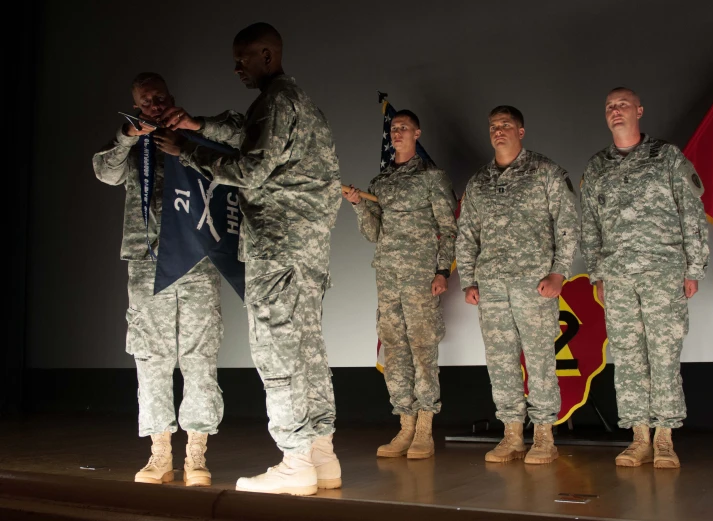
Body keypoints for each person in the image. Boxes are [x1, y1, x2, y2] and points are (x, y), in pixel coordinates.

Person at [158, 22, 342, 495]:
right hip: (306, 249)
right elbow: (246, 132)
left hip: (278, 246)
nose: (237, 67)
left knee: (277, 349)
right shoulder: (294, 100)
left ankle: (294, 460)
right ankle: (321, 456)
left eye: (243, 58)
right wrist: (198, 124)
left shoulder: (278, 100)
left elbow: (251, 169)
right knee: (307, 349)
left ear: (267, 54)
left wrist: (189, 151)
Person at [92, 72, 223, 487]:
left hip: (194, 259)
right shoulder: (132, 144)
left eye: (160, 97)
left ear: (171, 97)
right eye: (145, 101)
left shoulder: (194, 134)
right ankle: (160, 453)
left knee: (200, 355)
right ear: (136, 105)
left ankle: (197, 454)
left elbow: (227, 170)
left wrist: (184, 145)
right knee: (151, 358)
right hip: (147, 260)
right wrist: (129, 136)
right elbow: (104, 172)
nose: (154, 104)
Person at [580, 87, 709, 469]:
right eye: (609, 107)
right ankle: (639, 437)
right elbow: (590, 227)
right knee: (629, 356)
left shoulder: (666, 157)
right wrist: (596, 272)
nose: (615, 111)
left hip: (662, 271)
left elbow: (691, 212)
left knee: (664, 353)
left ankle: (665, 437)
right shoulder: (597, 167)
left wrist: (694, 268)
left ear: (639, 110)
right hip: (618, 277)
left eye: (622, 105)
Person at [456, 105, 579, 464]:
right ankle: (512, 435)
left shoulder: (546, 172)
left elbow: (568, 224)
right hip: (492, 286)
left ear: (521, 132)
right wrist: (469, 280)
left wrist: (559, 272)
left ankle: (543, 436)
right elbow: (467, 235)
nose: (498, 131)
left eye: (506, 125)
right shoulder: (479, 182)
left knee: (540, 359)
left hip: (534, 284)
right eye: (493, 125)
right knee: (500, 361)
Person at [343, 110, 457, 460]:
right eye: (394, 129)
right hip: (389, 275)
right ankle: (404, 424)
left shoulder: (431, 177)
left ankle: (424, 428)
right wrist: (360, 205)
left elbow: (448, 227)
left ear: (417, 133)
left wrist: (443, 271)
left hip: (421, 274)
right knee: (394, 348)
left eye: (404, 128)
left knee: (423, 348)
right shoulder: (381, 182)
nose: (397, 133)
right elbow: (373, 233)